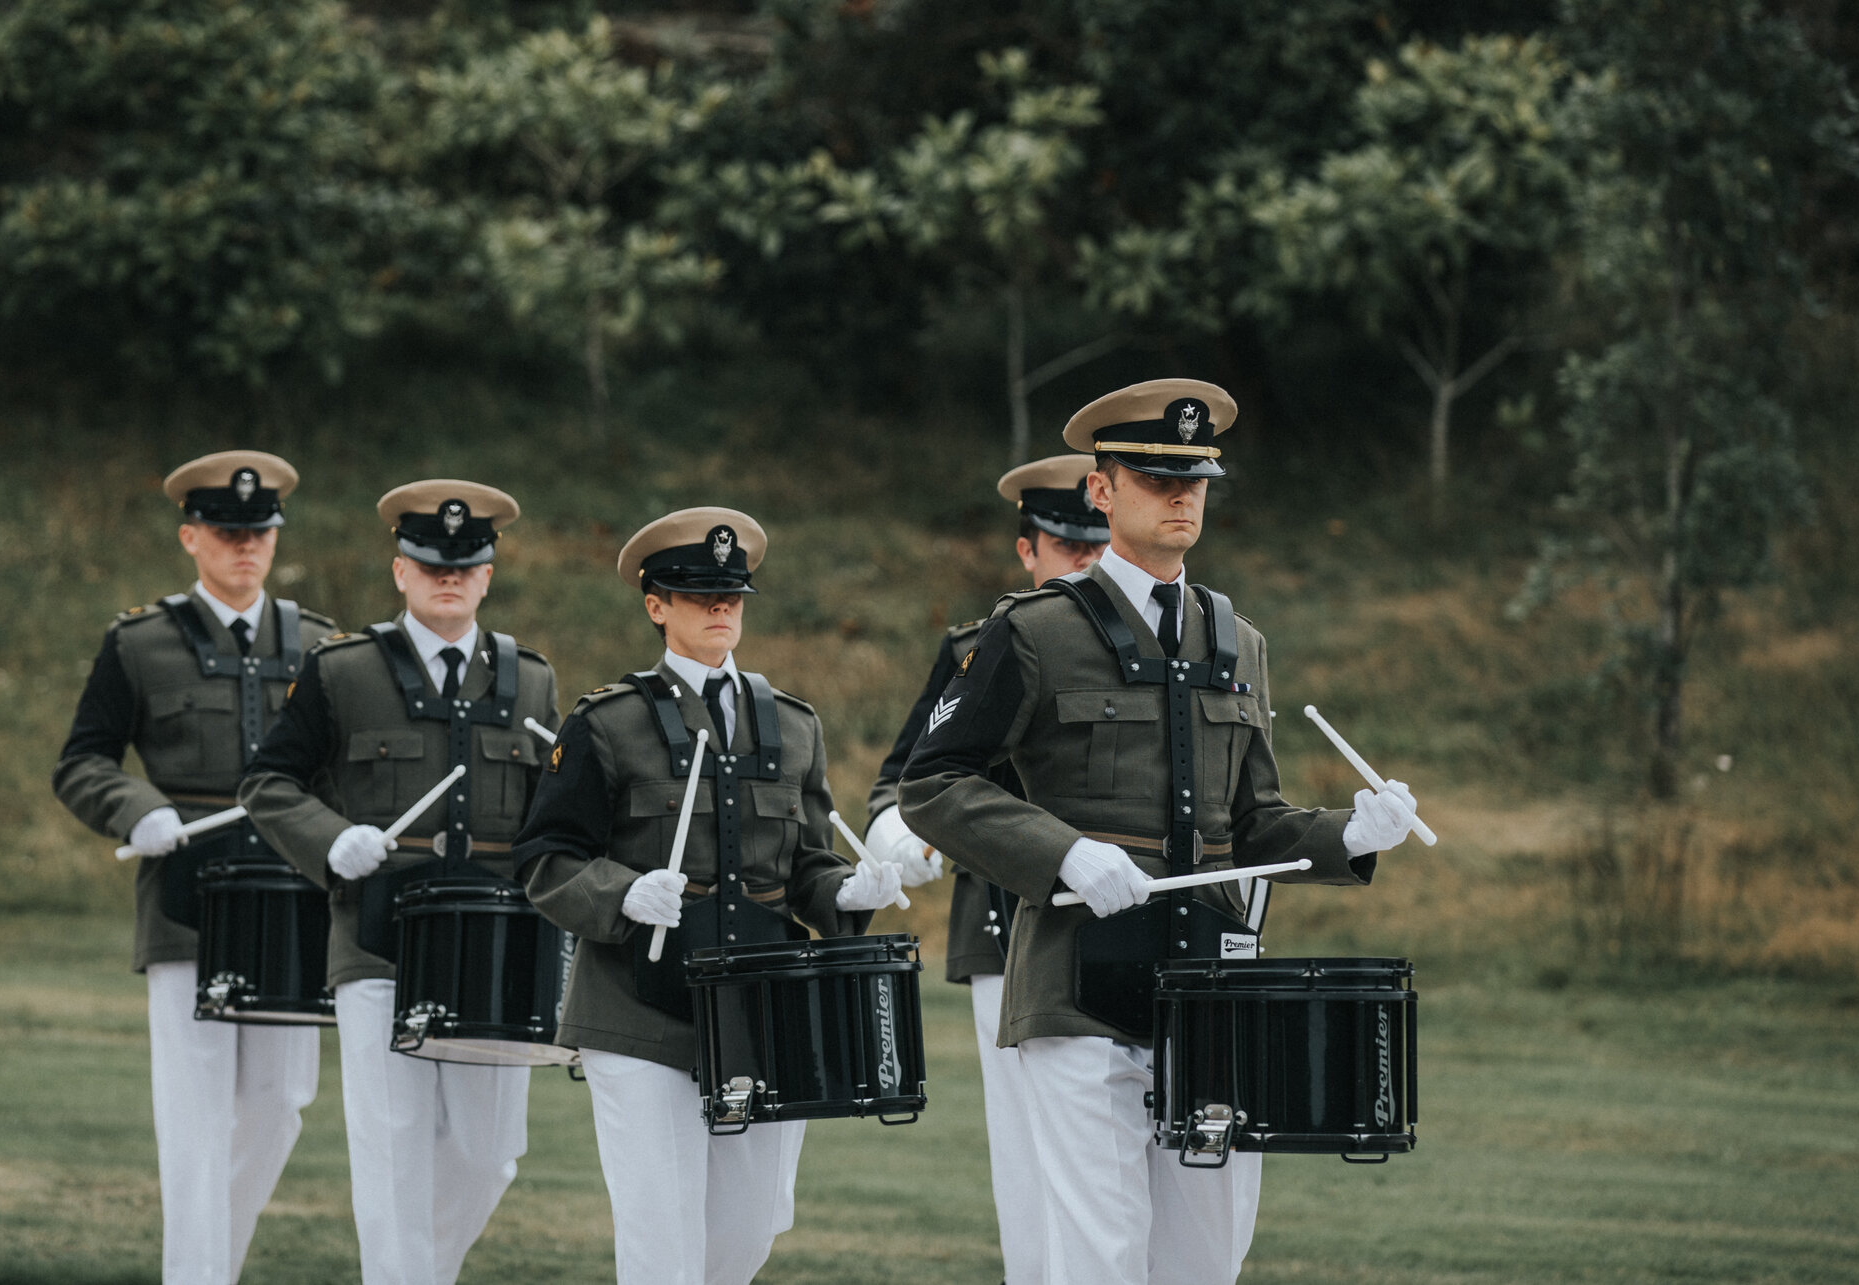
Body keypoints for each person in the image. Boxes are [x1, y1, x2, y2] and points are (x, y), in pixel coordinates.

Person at [899, 382, 1422, 1285]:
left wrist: (1354, 835)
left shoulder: (1238, 640)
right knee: (1102, 1259)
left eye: (1196, 479)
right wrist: (1060, 849)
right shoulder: (1033, 632)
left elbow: (1253, 824)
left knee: (1204, 1261)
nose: (1182, 496)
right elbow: (932, 784)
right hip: (1078, 988)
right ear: (1102, 491)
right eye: (1155, 477)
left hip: (1214, 990)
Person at [510, 508, 906, 1285]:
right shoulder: (607, 723)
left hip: (763, 1005)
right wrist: (624, 892)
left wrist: (850, 890)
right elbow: (545, 860)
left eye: (732, 593)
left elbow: (807, 867)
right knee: (662, 1237)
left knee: (750, 1227)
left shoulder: (794, 726)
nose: (721, 607)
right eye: (699, 594)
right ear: (656, 604)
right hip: (637, 1009)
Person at [239, 480, 560, 1285]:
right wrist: (328, 839)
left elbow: (552, 818)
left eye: (466, 564)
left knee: (492, 1159)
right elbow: (269, 783)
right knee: (392, 1155)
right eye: (429, 563)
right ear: (400, 570)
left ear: (487, 575)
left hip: (496, 953)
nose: (447, 576)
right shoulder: (343, 670)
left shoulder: (533, 681)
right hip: (379, 945)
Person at [54, 451, 338, 1285]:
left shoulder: (322, 645)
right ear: (191, 536)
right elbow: (81, 762)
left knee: (280, 1107)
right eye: (227, 531)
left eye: (260, 532)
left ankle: (209, 1265)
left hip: (293, 904)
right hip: (188, 903)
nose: (246, 546)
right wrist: (133, 805)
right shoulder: (139, 642)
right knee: (196, 1115)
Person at [863, 453, 1109, 1285]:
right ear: (1027, 550)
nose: (1083, 559)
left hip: (1125, 928)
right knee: (1030, 1159)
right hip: (1003, 930)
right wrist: (901, 837)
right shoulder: (980, 648)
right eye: (1063, 543)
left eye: (1095, 542)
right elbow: (903, 779)